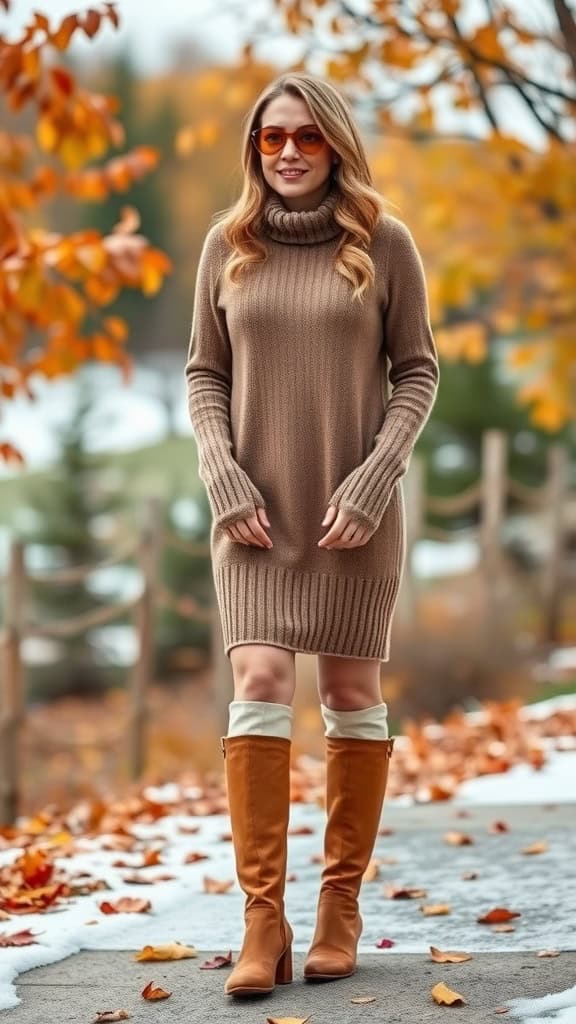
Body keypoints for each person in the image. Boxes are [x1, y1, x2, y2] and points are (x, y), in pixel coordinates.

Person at [184, 71, 439, 998]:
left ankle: (338, 907)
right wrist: (221, 473)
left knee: (347, 690)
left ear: (334, 143)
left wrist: (375, 479)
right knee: (256, 681)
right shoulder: (228, 246)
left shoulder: (384, 244)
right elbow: (203, 375)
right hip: (251, 508)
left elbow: (417, 372)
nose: (286, 151)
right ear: (255, 148)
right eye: (269, 138)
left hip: (352, 512)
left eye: (305, 137)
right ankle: (263, 922)